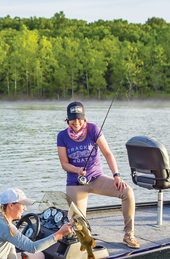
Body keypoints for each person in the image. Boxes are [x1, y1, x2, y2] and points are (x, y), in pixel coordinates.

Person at [56, 101, 139, 248]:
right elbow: (64, 163)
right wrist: (77, 170)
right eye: (73, 118)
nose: (76, 122)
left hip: (97, 179)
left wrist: (116, 175)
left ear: (84, 117)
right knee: (79, 229)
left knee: (127, 192)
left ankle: (129, 235)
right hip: (76, 183)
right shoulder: (62, 136)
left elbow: (107, 153)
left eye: (79, 118)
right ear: (67, 118)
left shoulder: (94, 129)